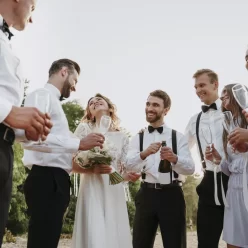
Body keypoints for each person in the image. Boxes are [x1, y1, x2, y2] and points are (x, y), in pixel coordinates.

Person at [22, 59, 105, 248]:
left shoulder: (54, 104)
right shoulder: (41, 95)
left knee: (49, 240)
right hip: (46, 177)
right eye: (75, 80)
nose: (74, 87)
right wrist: (79, 143)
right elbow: (32, 138)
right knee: (41, 240)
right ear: (64, 72)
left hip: (57, 179)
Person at [0, 1, 52, 246]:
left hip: (4, 151)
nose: (32, 19)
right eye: (34, 7)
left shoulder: (6, 42)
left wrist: (24, 130)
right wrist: (9, 111)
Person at [126, 90, 195, 248]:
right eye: (148, 104)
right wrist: (144, 153)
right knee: (140, 243)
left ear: (166, 110)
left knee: (175, 244)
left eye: (155, 105)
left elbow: (190, 168)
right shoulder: (138, 138)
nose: (150, 108)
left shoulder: (178, 137)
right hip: (146, 195)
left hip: (172, 195)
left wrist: (174, 158)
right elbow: (129, 164)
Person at [71, 93, 140, 248]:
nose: (95, 102)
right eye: (91, 103)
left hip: (113, 189)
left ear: (110, 108)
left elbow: (121, 172)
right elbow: (71, 160)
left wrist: (128, 177)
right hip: (91, 186)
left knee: (113, 230)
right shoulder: (83, 129)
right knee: (93, 230)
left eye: (99, 100)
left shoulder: (122, 136)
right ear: (89, 112)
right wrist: (91, 168)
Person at [185, 69, 229, 248]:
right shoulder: (194, 120)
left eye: (202, 85)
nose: (198, 90)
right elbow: (182, 150)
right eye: (196, 87)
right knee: (206, 243)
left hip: (235, 182)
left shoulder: (233, 112)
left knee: (239, 241)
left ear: (215, 84)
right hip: (208, 183)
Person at [205, 83, 248, 248]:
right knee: (233, 241)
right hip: (234, 190)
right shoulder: (227, 125)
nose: (221, 97)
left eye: (225, 93)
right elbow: (230, 166)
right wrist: (218, 159)